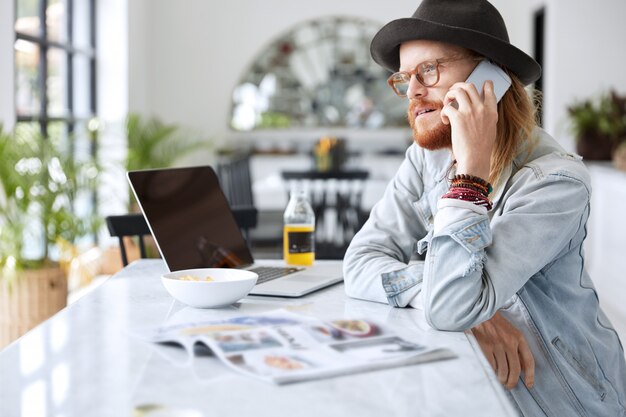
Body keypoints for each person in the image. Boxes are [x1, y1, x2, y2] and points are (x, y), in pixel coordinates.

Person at [342, 0, 626, 415]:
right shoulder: (427, 161)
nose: (414, 92)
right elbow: (361, 261)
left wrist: (470, 175)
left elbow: (451, 306)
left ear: (489, 78)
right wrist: (473, 310)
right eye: (405, 79)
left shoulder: (556, 183)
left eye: (429, 71)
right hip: (481, 388)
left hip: (565, 401)